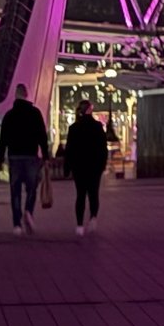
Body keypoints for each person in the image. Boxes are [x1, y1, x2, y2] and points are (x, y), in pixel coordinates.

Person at [0, 83, 50, 234]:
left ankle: (17, 225)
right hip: (31, 156)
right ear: (26, 95)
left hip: (14, 157)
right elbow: (42, 137)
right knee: (31, 188)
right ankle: (28, 211)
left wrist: (0, 160)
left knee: (15, 191)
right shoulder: (35, 113)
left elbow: (3, 140)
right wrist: (45, 156)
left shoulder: (9, 115)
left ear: (16, 96)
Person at [64, 98, 110, 236]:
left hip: (79, 167)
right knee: (93, 194)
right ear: (90, 110)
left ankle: (79, 225)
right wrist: (102, 165)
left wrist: (67, 168)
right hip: (94, 167)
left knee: (80, 195)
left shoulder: (74, 128)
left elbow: (69, 150)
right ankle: (93, 218)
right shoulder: (97, 127)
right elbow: (103, 149)